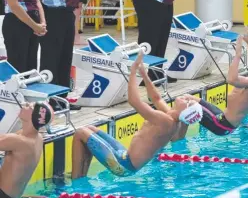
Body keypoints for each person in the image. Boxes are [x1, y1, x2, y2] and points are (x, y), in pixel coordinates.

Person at [71, 52, 202, 179]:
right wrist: (144, 75)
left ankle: (75, 185)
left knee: (80, 133)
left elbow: (134, 101)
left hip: (123, 165)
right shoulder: (172, 117)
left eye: (187, 102)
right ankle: (82, 176)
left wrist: (132, 72)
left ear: (184, 111)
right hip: (123, 156)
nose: (185, 98)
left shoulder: (165, 121)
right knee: (91, 129)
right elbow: (156, 98)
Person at [185, 32, 248, 136]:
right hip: (222, 117)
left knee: (184, 103)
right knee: (189, 98)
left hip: (222, 124)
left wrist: (238, 54)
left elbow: (231, 79)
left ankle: (175, 138)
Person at [0, 102, 54, 198]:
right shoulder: (37, 138)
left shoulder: (20, 141)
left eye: (29, 106)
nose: (24, 104)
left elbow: (8, 140)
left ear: (34, 116)